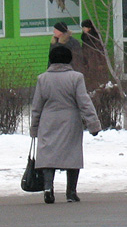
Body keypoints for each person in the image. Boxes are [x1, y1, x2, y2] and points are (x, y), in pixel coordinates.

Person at [29, 45, 101, 203]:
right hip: (70, 120)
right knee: (72, 154)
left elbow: (37, 106)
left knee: (48, 155)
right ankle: (71, 192)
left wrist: (34, 128)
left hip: (48, 120)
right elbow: (84, 102)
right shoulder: (76, 77)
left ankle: (48, 188)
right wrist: (93, 125)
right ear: (69, 59)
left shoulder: (43, 79)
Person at [80, 19, 107, 92]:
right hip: (87, 61)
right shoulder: (85, 37)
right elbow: (84, 50)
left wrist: (101, 63)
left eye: (84, 27)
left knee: (96, 79)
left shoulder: (95, 37)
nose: (83, 29)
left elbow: (100, 50)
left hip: (95, 61)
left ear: (89, 28)